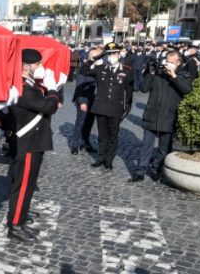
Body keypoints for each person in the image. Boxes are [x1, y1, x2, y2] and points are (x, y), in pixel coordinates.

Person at [7, 49, 62, 242]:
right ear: (26, 67)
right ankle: (15, 225)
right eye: (38, 64)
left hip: (33, 141)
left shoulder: (30, 85)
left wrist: (51, 92)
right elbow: (48, 107)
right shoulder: (25, 88)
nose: (41, 67)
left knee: (29, 185)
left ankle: (22, 214)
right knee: (22, 186)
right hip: (28, 143)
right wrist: (54, 89)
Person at [130, 51, 193, 182]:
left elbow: (187, 90)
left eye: (172, 62)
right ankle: (140, 171)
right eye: (167, 61)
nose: (169, 64)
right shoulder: (158, 75)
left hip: (169, 116)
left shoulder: (183, 75)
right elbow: (143, 88)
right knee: (146, 146)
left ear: (178, 63)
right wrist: (150, 73)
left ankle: (156, 170)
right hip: (152, 114)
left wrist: (174, 76)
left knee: (164, 148)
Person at [80, 42, 134, 171]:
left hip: (116, 107)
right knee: (102, 135)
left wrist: (127, 108)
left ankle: (109, 160)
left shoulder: (126, 70)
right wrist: (96, 57)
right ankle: (101, 158)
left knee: (113, 136)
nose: (112, 56)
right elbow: (83, 70)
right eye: (109, 54)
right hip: (101, 106)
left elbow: (130, 91)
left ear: (119, 54)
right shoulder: (101, 68)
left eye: (114, 53)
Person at [70, 47, 98, 155]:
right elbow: (79, 87)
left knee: (89, 123)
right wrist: (81, 102)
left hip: (94, 99)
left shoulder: (98, 68)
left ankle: (85, 142)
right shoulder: (84, 69)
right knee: (80, 122)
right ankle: (75, 145)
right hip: (84, 99)